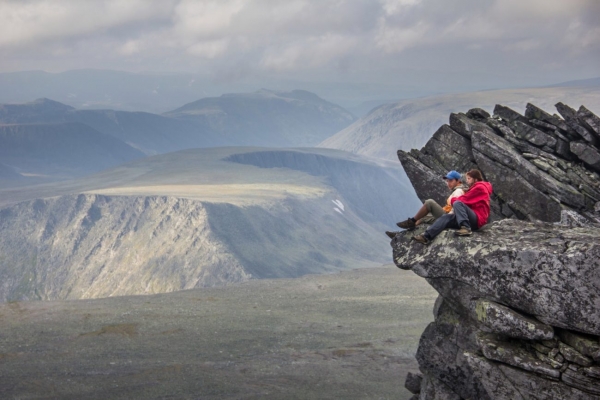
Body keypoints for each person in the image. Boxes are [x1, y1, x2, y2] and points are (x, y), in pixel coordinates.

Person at [412, 169, 492, 245]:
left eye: (469, 178)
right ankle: (426, 237)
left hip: (477, 220)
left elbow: (464, 200)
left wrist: (453, 199)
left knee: (457, 203)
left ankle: (466, 228)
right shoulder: (475, 188)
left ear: (476, 179)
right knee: (446, 217)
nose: (467, 181)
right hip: (471, 218)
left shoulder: (480, 188)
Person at [386, 170, 466, 239]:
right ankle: (401, 235)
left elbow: (456, 208)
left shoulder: (458, 191)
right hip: (449, 216)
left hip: (450, 218)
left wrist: (445, 218)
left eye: (451, 181)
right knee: (423, 218)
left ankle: (411, 222)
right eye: (447, 181)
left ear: (458, 181)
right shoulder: (457, 191)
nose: (448, 183)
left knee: (429, 203)